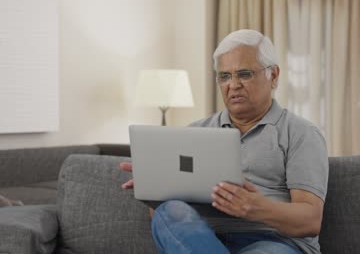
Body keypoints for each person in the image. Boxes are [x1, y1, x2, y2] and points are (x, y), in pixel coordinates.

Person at [120, 29, 329, 254]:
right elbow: (169, 223)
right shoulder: (194, 133)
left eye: (245, 74)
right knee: (168, 212)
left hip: (276, 242)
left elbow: (310, 220)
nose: (234, 85)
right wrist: (154, 189)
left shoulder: (301, 133)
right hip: (203, 240)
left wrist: (257, 208)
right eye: (225, 76)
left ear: (274, 76)